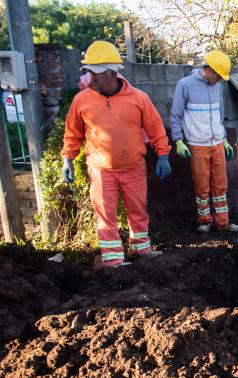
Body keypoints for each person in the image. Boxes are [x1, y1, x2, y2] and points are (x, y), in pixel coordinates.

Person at [61, 40, 171, 268]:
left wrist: (163, 155)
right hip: (101, 171)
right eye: (90, 72)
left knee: (138, 209)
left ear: (112, 73)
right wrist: (67, 158)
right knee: (105, 214)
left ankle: (140, 248)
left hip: (133, 167)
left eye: (97, 74)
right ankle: (113, 260)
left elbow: (155, 127)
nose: (92, 78)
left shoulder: (138, 98)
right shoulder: (82, 100)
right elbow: (73, 132)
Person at [170, 50, 238, 233]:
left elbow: (219, 115)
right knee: (202, 184)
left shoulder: (217, 86)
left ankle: (223, 222)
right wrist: (178, 141)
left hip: (217, 143)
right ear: (209, 70)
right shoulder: (185, 85)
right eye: (218, 76)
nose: (220, 80)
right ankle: (204, 221)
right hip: (197, 144)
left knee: (220, 184)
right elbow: (176, 116)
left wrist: (224, 139)